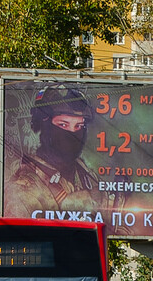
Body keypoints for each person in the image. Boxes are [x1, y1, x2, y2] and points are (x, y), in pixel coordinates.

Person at [9, 84, 101, 213]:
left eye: (79, 126)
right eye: (63, 124)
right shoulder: (23, 188)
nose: (72, 133)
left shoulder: (85, 175)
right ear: (44, 124)